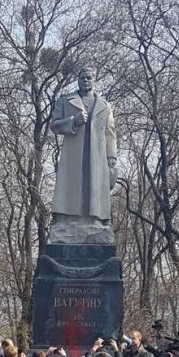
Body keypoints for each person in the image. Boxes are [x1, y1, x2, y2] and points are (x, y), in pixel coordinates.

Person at [49, 67, 117, 237]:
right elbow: (54, 125)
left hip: (97, 154)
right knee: (72, 184)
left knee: (95, 185)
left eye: (89, 78)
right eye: (82, 78)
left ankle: (96, 219)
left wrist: (111, 157)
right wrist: (74, 121)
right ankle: (68, 218)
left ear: (94, 80)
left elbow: (110, 133)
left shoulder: (105, 106)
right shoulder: (65, 101)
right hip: (74, 153)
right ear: (77, 80)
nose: (85, 81)